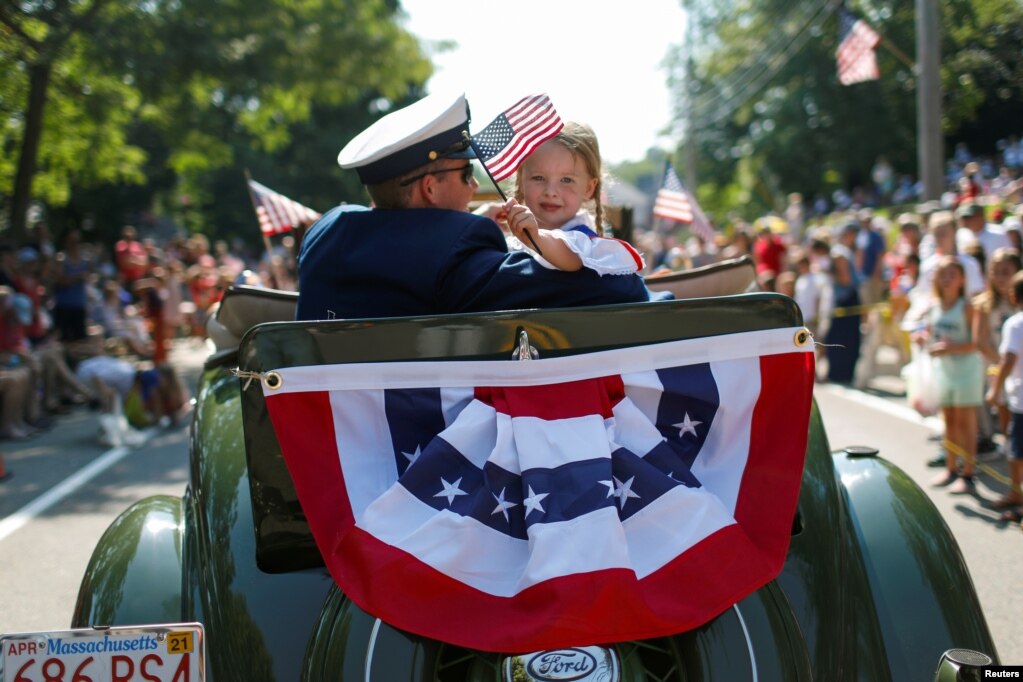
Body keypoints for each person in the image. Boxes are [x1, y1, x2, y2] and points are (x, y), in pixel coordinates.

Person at [296, 92, 664, 321]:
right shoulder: (456, 257)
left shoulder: (326, 233)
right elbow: (623, 288)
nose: (475, 186)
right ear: (429, 188)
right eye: (465, 173)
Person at [482, 121, 644, 276]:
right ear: (521, 181)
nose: (551, 192)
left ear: (588, 188)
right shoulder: (514, 238)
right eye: (538, 177)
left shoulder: (583, 240)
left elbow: (570, 256)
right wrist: (481, 220)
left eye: (567, 180)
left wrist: (536, 238)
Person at [914, 257, 983, 494]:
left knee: (966, 423)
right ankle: (951, 468)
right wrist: (923, 339)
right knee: (949, 421)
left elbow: (976, 343)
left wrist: (948, 348)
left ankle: (969, 473)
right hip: (944, 371)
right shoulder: (934, 306)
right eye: (942, 275)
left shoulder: (967, 306)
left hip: (967, 372)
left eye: (951, 275)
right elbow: (932, 336)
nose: (946, 280)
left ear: (962, 279)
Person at [986, 270, 1023, 521]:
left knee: (1016, 450)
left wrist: (995, 388)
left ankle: (1016, 494)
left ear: (1013, 295)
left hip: (1020, 399)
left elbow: (1009, 359)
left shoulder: (1015, 324)